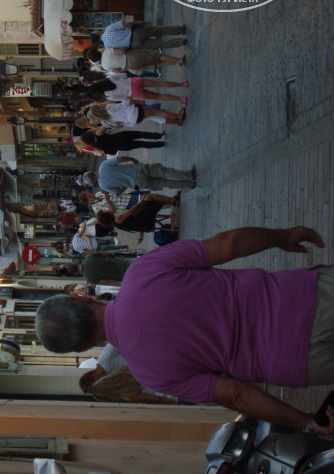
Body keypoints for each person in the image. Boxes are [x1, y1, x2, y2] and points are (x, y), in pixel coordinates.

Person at [35, 225, 334, 435]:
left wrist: (308, 422)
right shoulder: (142, 272)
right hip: (302, 296)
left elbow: (236, 396)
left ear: (82, 347)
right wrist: (282, 237)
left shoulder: (149, 374)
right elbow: (229, 244)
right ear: (81, 298)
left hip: (296, 360)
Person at [87, 156, 195, 194]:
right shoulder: (103, 166)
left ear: (92, 181)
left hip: (137, 184)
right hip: (138, 170)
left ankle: (189, 185)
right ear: (92, 172)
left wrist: (126, 183)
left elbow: (118, 192)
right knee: (164, 171)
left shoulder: (103, 186)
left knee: (164, 183)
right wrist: (132, 159)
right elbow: (120, 159)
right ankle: (189, 175)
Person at [88, 72, 188, 107]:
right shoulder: (108, 78)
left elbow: (125, 99)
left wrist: (136, 101)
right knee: (159, 83)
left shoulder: (109, 95)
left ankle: (181, 99)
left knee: (159, 96)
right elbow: (123, 75)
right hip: (134, 81)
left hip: (134, 92)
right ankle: (182, 84)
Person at [96, 192, 179, 233]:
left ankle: (172, 201)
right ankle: (173, 201)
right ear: (107, 215)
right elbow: (132, 211)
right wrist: (141, 202)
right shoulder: (118, 219)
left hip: (144, 224)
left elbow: (112, 209)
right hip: (145, 222)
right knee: (148, 197)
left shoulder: (115, 222)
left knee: (148, 200)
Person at [100, 19, 186, 51]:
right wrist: (137, 22)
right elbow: (125, 24)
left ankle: (181, 42)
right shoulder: (108, 29)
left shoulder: (108, 47)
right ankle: (180, 30)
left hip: (134, 45)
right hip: (136, 32)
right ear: (98, 33)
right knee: (159, 30)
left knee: (159, 44)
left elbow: (121, 51)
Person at [88, 100, 183, 127]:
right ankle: (178, 116)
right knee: (156, 112)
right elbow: (123, 104)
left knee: (155, 117)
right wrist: (136, 101)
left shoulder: (106, 120)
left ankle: (176, 122)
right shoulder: (109, 107)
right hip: (134, 112)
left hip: (133, 120)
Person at [80, 129, 165, 155]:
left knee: (142, 144)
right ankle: (158, 135)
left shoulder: (96, 147)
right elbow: (105, 126)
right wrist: (93, 130)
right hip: (122, 136)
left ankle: (160, 144)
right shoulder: (98, 134)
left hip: (123, 146)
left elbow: (105, 152)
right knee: (141, 134)